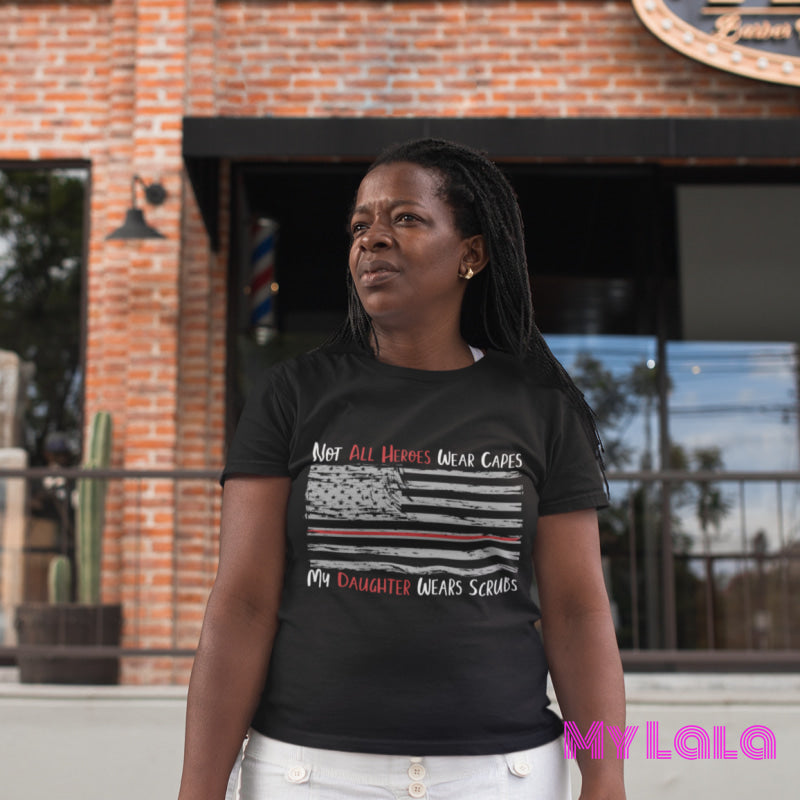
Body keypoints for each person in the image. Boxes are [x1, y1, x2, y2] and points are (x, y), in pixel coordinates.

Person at [178, 138, 626, 800]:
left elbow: (577, 612)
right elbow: (242, 605)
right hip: (307, 775)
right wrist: (199, 787)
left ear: (472, 253)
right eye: (360, 225)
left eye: (406, 218)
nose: (373, 239)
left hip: (502, 777)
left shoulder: (541, 408)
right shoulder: (293, 396)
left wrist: (606, 776)